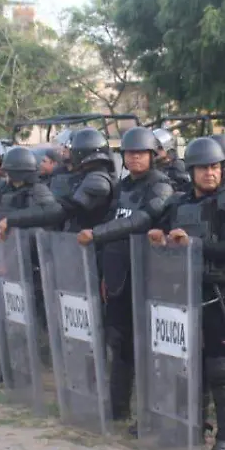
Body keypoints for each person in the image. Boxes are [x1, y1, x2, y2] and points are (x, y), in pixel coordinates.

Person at [150, 136, 225, 450]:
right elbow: (167, 231)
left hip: (224, 294)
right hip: (185, 292)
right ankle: (191, 425)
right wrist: (159, 236)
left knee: (222, 368)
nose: (210, 173)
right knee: (185, 362)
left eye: (215, 167)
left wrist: (193, 243)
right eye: (203, 168)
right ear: (192, 171)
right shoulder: (180, 204)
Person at [78, 126, 175, 420]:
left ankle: (151, 411)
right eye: (130, 153)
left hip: (149, 277)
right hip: (120, 276)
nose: (134, 158)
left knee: (150, 346)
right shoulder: (122, 188)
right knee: (119, 342)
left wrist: (96, 234)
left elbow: (142, 220)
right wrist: (106, 273)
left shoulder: (161, 186)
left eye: (140, 153)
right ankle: (118, 406)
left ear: (152, 155)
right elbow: (112, 222)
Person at [153, 127, 192, 193]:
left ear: (168, 148)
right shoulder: (154, 165)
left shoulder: (177, 166)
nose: (155, 151)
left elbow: (183, 191)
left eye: (159, 147)